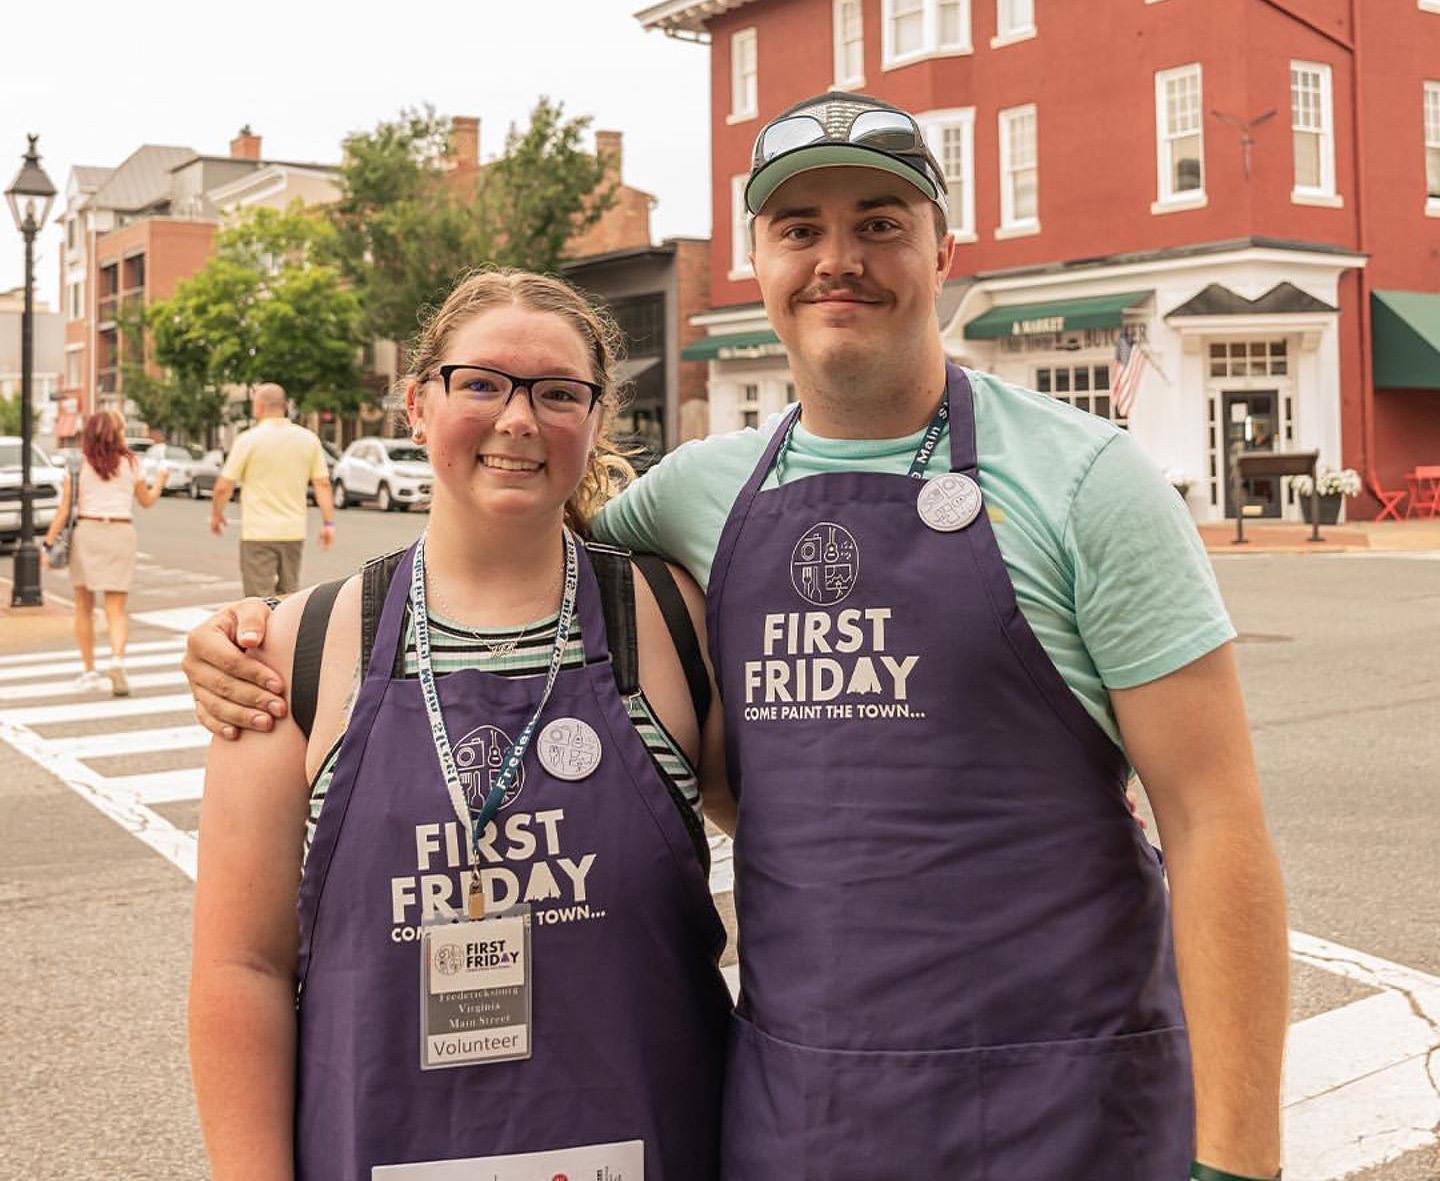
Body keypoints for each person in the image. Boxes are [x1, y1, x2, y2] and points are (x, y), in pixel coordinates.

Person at [183, 92, 1289, 1181]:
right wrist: (258, 634)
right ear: (758, 258)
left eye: (880, 223)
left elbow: (1214, 815)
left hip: (1070, 1101)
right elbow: (509, 551)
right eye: (800, 228)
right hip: (805, 1114)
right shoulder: (699, 499)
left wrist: (1239, 1156)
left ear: (943, 248)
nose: (838, 257)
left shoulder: (1088, 480)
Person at [187, 269, 731, 1179]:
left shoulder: (672, 622)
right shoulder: (296, 650)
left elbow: (817, 852)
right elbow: (240, 967)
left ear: (596, 422)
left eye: (558, 393)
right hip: (379, 1144)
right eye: (480, 383)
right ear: (417, 406)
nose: (518, 418)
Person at [41, 410, 167, 696]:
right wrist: (160, 481)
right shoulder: (131, 463)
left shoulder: (78, 464)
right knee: (116, 609)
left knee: (83, 608)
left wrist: (48, 544)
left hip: (88, 532)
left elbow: (63, 510)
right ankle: (117, 661)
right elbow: (146, 502)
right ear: (116, 433)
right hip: (121, 533)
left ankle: (88, 671)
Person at [209, 382, 335, 597]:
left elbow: (224, 486)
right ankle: (286, 631)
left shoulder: (248, 440)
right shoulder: (308, 439)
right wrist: (328, 523)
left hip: (258, 533)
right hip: (293, 531)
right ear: (284, 406)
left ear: (258, 407)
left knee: (258, 601)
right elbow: (322, 483)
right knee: (288, 597)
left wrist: (216, 514)